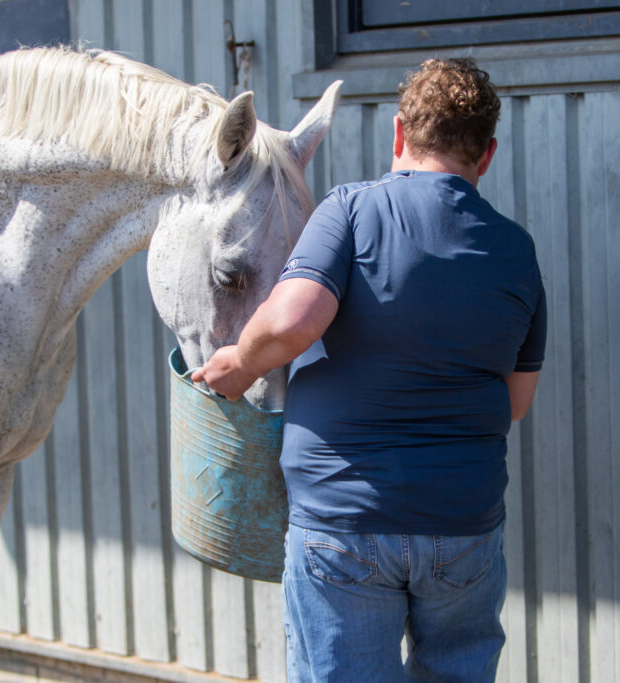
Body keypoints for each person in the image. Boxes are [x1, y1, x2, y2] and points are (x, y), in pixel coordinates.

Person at [193, 57, 546, 681]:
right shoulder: (517, 250)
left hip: (345, 525)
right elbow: (517, 401)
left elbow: (295, 319)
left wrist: (242, 363)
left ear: (399, 135)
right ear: (486, 155)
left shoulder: (352, 211)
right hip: (462, 530)